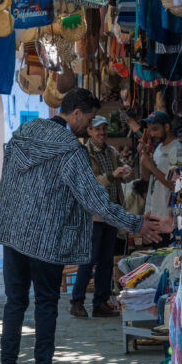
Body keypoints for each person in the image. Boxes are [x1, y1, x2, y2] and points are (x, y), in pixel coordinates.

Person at [0, 89, 162, 364]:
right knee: (45, 302)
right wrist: (136, 224)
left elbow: (6, 181)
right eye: (89, 119)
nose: (88, 126)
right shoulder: (70, 149)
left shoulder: (23, 133)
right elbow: (95, 200)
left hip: (13, 231)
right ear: (77, 113)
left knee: (15, 301)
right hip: (45, 235)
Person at [70, 115, 132, 319]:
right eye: (97, 129)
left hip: (110, 213)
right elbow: (90, 184)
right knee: (88, 260)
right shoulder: (84, 154)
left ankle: (100, 302)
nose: (102, 133)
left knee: (106, 260)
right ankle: (77, 301)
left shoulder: (111, 151)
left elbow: (124, 173)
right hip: (93, 215)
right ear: (89, 131)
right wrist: (113, 175)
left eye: (104, 129)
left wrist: (126, 170)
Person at [139, 111, 182, 219]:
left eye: (155, 129)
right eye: (150, 130)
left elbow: (177, 186)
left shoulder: (177, 149)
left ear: (166, 127)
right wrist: (144, 157)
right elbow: (147, 177)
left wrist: (151, 166)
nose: (152, 134)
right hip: (152, 211)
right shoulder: (159, 148)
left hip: (166, 216)